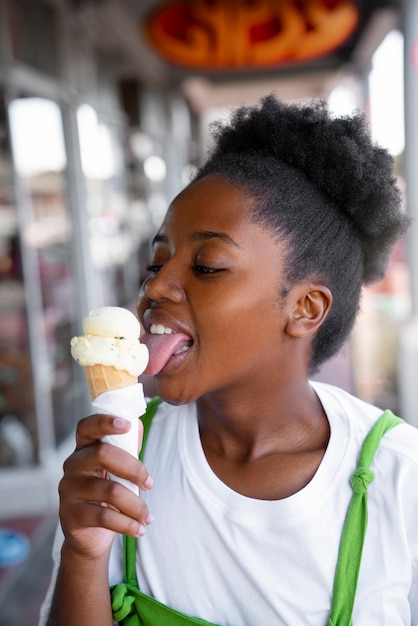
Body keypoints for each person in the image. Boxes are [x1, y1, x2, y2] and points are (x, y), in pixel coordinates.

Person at [40, 95, 417, 626]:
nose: (158, 285)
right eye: (157, 261)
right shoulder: (119, 463)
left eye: (208, 265)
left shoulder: (400, 478)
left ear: (305, 308)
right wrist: (84, 551)